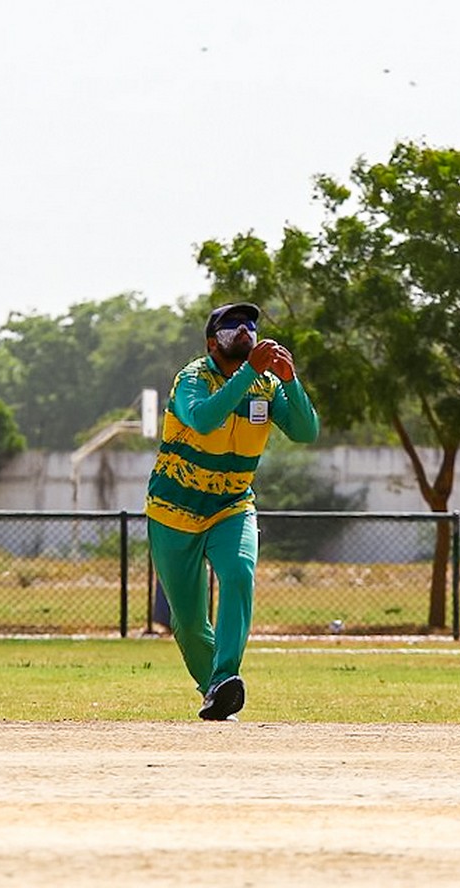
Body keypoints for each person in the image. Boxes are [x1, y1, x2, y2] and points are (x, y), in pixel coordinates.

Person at [145, 302, 320, 720]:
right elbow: (203, 420)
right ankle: (215, 690)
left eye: (250, 325)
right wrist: (248, 373)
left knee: (239, 574)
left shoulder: (266, 386)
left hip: (232, 505)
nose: (245, 330)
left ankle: (226, 676)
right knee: (188, 623)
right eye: (232, 325)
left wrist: (290, 381)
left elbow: (306, 431)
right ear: (212, 343)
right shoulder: (192, 379)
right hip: (173, 512)